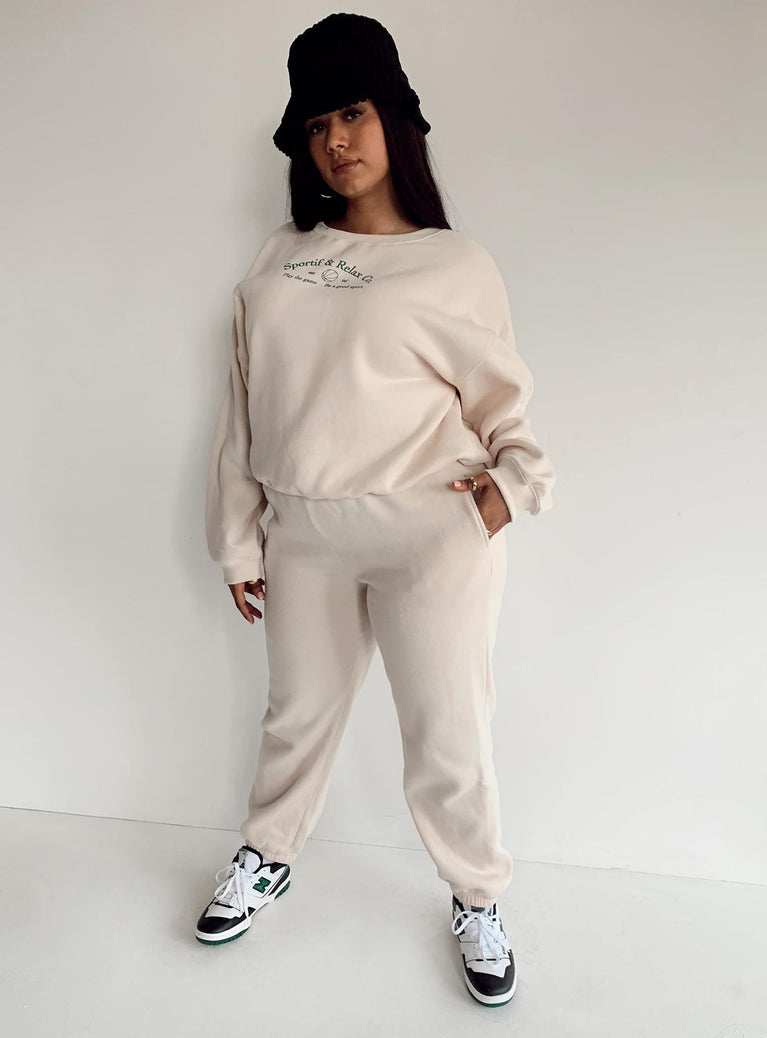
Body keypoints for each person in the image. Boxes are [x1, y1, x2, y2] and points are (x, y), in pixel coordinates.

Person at [194, 12, 556, 1009]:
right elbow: (242, 411)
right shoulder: (277, 259)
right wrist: (237, 544)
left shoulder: (454, 264)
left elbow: (504, 408)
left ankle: (476, 895)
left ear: (393, 117)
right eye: (315, 125)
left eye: (351, 113)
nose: (335, 141)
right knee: (295, 714)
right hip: (304, 533)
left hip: (428, 533)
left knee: (447, 733)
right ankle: (268, 854)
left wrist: (507, 493)